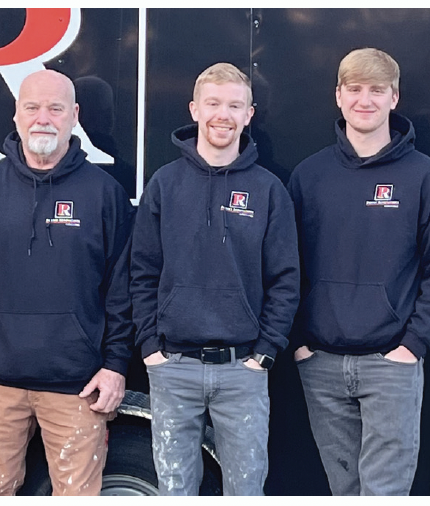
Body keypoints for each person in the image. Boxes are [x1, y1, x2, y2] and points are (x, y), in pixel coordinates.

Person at [0, 69, 135, 496]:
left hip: (78, 385)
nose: (43, 118)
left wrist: (115, 365)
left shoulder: (104, 193)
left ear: (75, 116)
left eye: (55, 108)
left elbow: (121, 289)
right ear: (16, 115)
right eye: (32, 107)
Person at [287, 48, 430, 496]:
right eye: (355, 89)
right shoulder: (309, 176)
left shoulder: (425, 178)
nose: (365, 100)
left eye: (377, 90)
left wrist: (412, 345)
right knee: (344, 491)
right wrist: (301, 343)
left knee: (385, 494)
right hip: (321, 364)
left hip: (391, 365)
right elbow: (284, 266)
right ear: (339, 96)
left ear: (394, 97)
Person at [130, 62, 300, 496]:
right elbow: (143, 270)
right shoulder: (165, 184)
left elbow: (285, 279)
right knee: (175, 491)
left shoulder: (268, 190)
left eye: (234, 106)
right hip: (173, 368)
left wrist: (264, 353)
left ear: (249, 114)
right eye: (213, 103)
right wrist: (150, 348)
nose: (223, 115)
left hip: (243, 371)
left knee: (245, 491)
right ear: (194, 110)